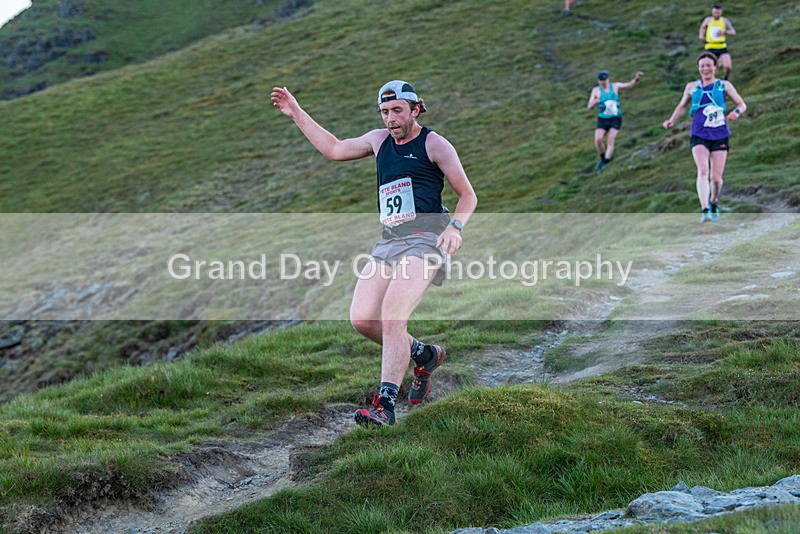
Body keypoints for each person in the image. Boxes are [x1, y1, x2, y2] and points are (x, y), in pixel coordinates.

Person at [271, 80, 477, 427]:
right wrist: (296, 113)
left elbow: (467, 195)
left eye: (397, 111)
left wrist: (454, 228)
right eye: (385, 112)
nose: (391, 119)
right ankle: (423, 354)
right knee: (363, 319)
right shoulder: (379, 140)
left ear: (415, 109)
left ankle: (385, 404)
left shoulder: (435, 144)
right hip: (390, 240)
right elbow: (335, 149)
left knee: (393, 316)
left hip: (426, 238)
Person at [662, 52, 746, 222]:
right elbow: (682, 106)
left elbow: (742, 104)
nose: (705, 69)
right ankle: (705, 209)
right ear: (698, 68)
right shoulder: (692, 87)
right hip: (699, 133)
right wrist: (671, 120)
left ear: (715, 67)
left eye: (709, 65)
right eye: (702, 66)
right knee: (702, 170)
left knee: (716, 179)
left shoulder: (724, 85)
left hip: (720, 134)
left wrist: (736, 112)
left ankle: (713, 201)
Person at [586, 69, 644, 172]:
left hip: (615, 118)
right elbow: (589, 106)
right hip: (603, 119)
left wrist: (636, 79)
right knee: (598, 140)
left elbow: (629, 85)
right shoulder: (596, 90)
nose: (602, 82)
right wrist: (595, 102)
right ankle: (603, 158)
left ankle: (607, 162)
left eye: (604, 80)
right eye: (600, 80)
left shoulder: (615, 86)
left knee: (610, 140)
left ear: (608, 79)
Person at [699, 4, 736, 80]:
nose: (716, 13)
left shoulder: (724, 21)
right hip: (710, 46)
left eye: (718, 12)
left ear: (721, 12)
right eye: (715, 12)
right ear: (712, 11)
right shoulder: (708, 20)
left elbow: (733, 32)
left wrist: (724, 32)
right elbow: (702, 27)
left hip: (721, 46)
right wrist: (701, 36)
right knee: (711, 67)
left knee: (728, 66)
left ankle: (726, 78)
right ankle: (710, 81)